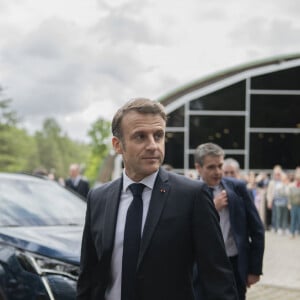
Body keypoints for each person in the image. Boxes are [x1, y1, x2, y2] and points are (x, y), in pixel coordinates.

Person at [77, 98, 238, 300]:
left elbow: (218, 279)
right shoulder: (98, 198)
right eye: (140, 137)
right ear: (118, 145)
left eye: (158, 135)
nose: (153, 145)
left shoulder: (192, 195)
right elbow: (89, 275)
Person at [194, 143, 265, 300]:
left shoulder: (237, 188)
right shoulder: (188, 191)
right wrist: (212, 208)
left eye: (220, 166)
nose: (218, 172)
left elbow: (257, 229)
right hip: (201, 268)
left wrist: (254, 269)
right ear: (198, 167)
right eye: (211, 167)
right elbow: (183, 232)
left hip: (233, 266)